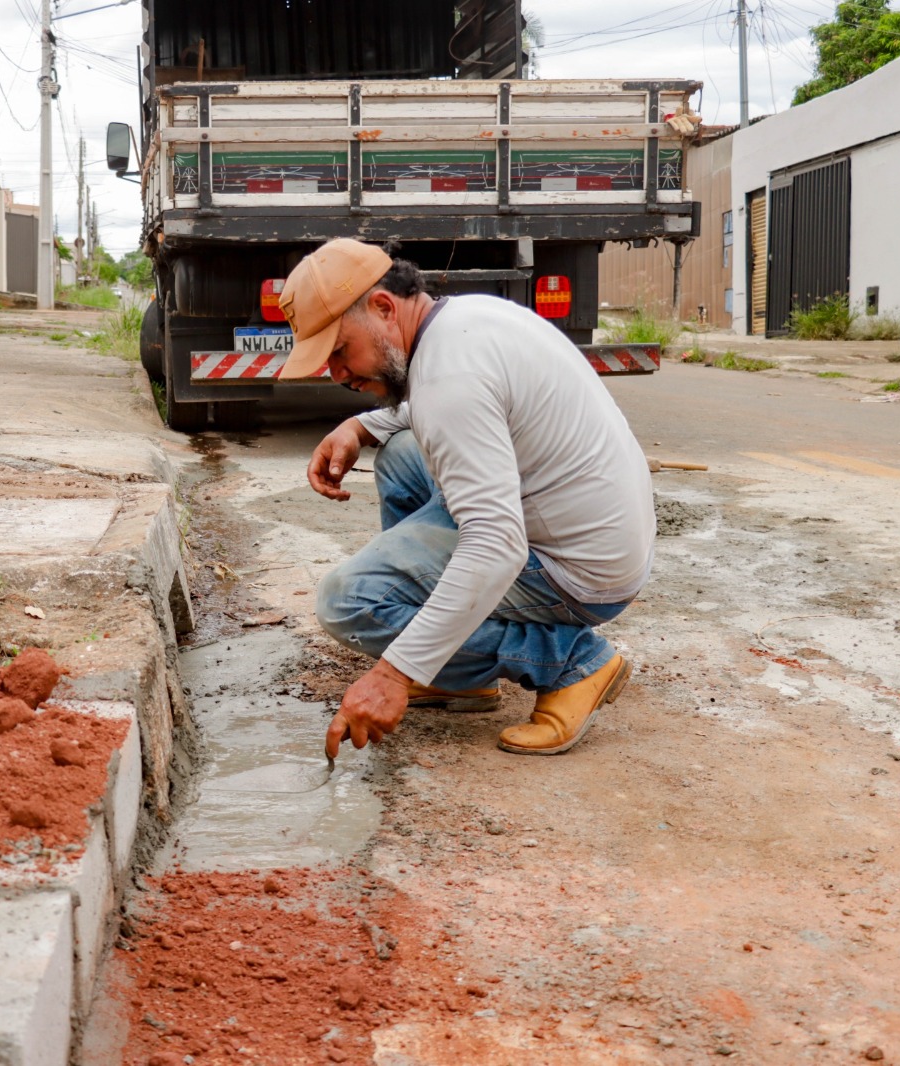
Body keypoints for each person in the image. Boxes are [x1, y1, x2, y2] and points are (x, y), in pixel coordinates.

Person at [276, 239, 653, 760]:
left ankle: (571, 663)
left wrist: (395, 672)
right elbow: (453, 403)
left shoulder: (448, 380)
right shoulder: (465, 320)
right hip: (595, 529)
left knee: (350, 601)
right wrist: (362, 425)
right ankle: (460, 676)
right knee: (403, 455)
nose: (336, 374)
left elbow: (496, 544)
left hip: (576, 572)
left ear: (384, 308)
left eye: (339, 351)